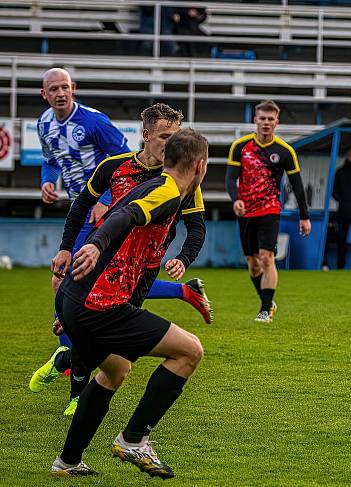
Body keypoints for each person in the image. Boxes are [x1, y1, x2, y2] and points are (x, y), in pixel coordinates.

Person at [31, 91, 212, 417]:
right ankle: (78, 396)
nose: (171, 145)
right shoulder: (115, 167)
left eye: (176, 137)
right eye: (164, 137)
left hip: (141, 274)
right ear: (145, 135)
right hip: (102, 263)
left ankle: (68, 359)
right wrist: (64, 248)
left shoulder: (184, 181)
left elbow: (197, 228)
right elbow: (82, 205)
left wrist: (182, 259)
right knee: (104, 344)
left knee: (113, 351)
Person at [49, 128, 208, 478]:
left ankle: (67, 462)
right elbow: (127, 216)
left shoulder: (164, 187)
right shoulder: (166, 190)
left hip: (78, 299)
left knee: (116, 370)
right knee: (189, 351)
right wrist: (94, 244)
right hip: (97, 304)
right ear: (200, 166)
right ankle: (134, 439)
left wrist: (68, 310)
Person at [226, 100, 311, 322]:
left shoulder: (285, 151)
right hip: (245, 212)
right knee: (253, 265)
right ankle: (267, 301)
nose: (266, 123)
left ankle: (265, 310)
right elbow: (230, 178)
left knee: (266, 258)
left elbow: (297, 184)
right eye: (262, 118)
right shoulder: (240, 147)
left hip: (270, 210)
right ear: (255, 120)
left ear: (277, 122)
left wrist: (304, 216)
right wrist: (235, 200)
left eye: (270, 119)